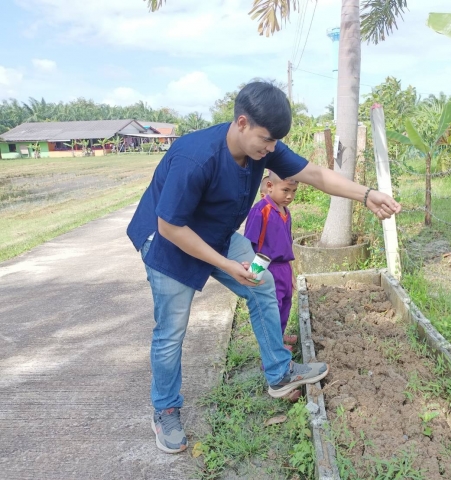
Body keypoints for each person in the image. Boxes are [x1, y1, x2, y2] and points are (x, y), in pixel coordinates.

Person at [126, 81, 401, 454]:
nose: (271, 150)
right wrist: (226, 265)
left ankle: (279, 372)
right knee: (172, 331)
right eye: (267, 140)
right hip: (168, 242)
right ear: (242, 123)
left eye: (275, 143)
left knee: (262, 283)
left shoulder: (261, 148)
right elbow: (170, 227)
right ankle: (165, 409)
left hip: (215, 234)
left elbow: (315, 174)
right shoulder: (196, 157)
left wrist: (366, 194)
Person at [244, 171, 299, 347]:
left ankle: (278, 337)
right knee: (270, 308)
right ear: (270, 186)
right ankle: (272, 348)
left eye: (294, 191)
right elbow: (248, 243)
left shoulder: (286, 212)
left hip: (284, 267)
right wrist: (253, 274)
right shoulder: (261, 210)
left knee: (285, 303)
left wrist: (291, 272)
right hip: (266, 266)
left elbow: (287, 244)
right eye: (285, 190)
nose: (290, 196)